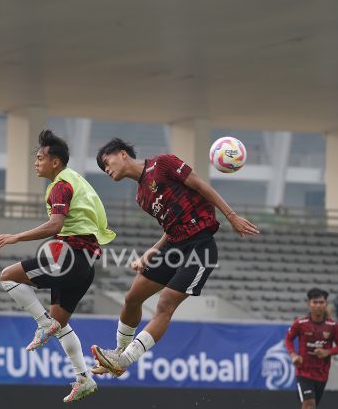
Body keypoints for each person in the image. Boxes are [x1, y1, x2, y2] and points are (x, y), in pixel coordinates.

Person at [90, 138, 260, 376]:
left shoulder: (163, 164)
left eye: (106, 163)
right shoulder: (141, 197)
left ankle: (126, 359)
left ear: (122, 154)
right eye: (103, 168)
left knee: (165, 303)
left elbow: (201, 186)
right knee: (132, 298)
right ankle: (117, 354)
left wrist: (231, 216)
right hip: (174, 246)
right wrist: (153, 250)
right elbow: (171, 225)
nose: (106, 170)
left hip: (200, 246)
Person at [0, 129, 117, 403]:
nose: (36, 162)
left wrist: (16, 236)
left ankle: (41, 323)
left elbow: (55, 225)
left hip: (68, 258)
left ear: (55, 161)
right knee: (59, 326)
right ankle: (83, 378)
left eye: (40, 157)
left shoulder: (61, 184)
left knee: (7, 277)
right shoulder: (75, 180)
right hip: (85, 265)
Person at [284, 288, 338, 409]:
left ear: (326, 304)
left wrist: (327, 352)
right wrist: (293, 355)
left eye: (321, 302)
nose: (318, 306)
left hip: (321, 375)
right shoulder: (301, 323)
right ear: (309, 304)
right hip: (303, 373)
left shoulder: (332, 326)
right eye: (315, 302)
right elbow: (288, 339)